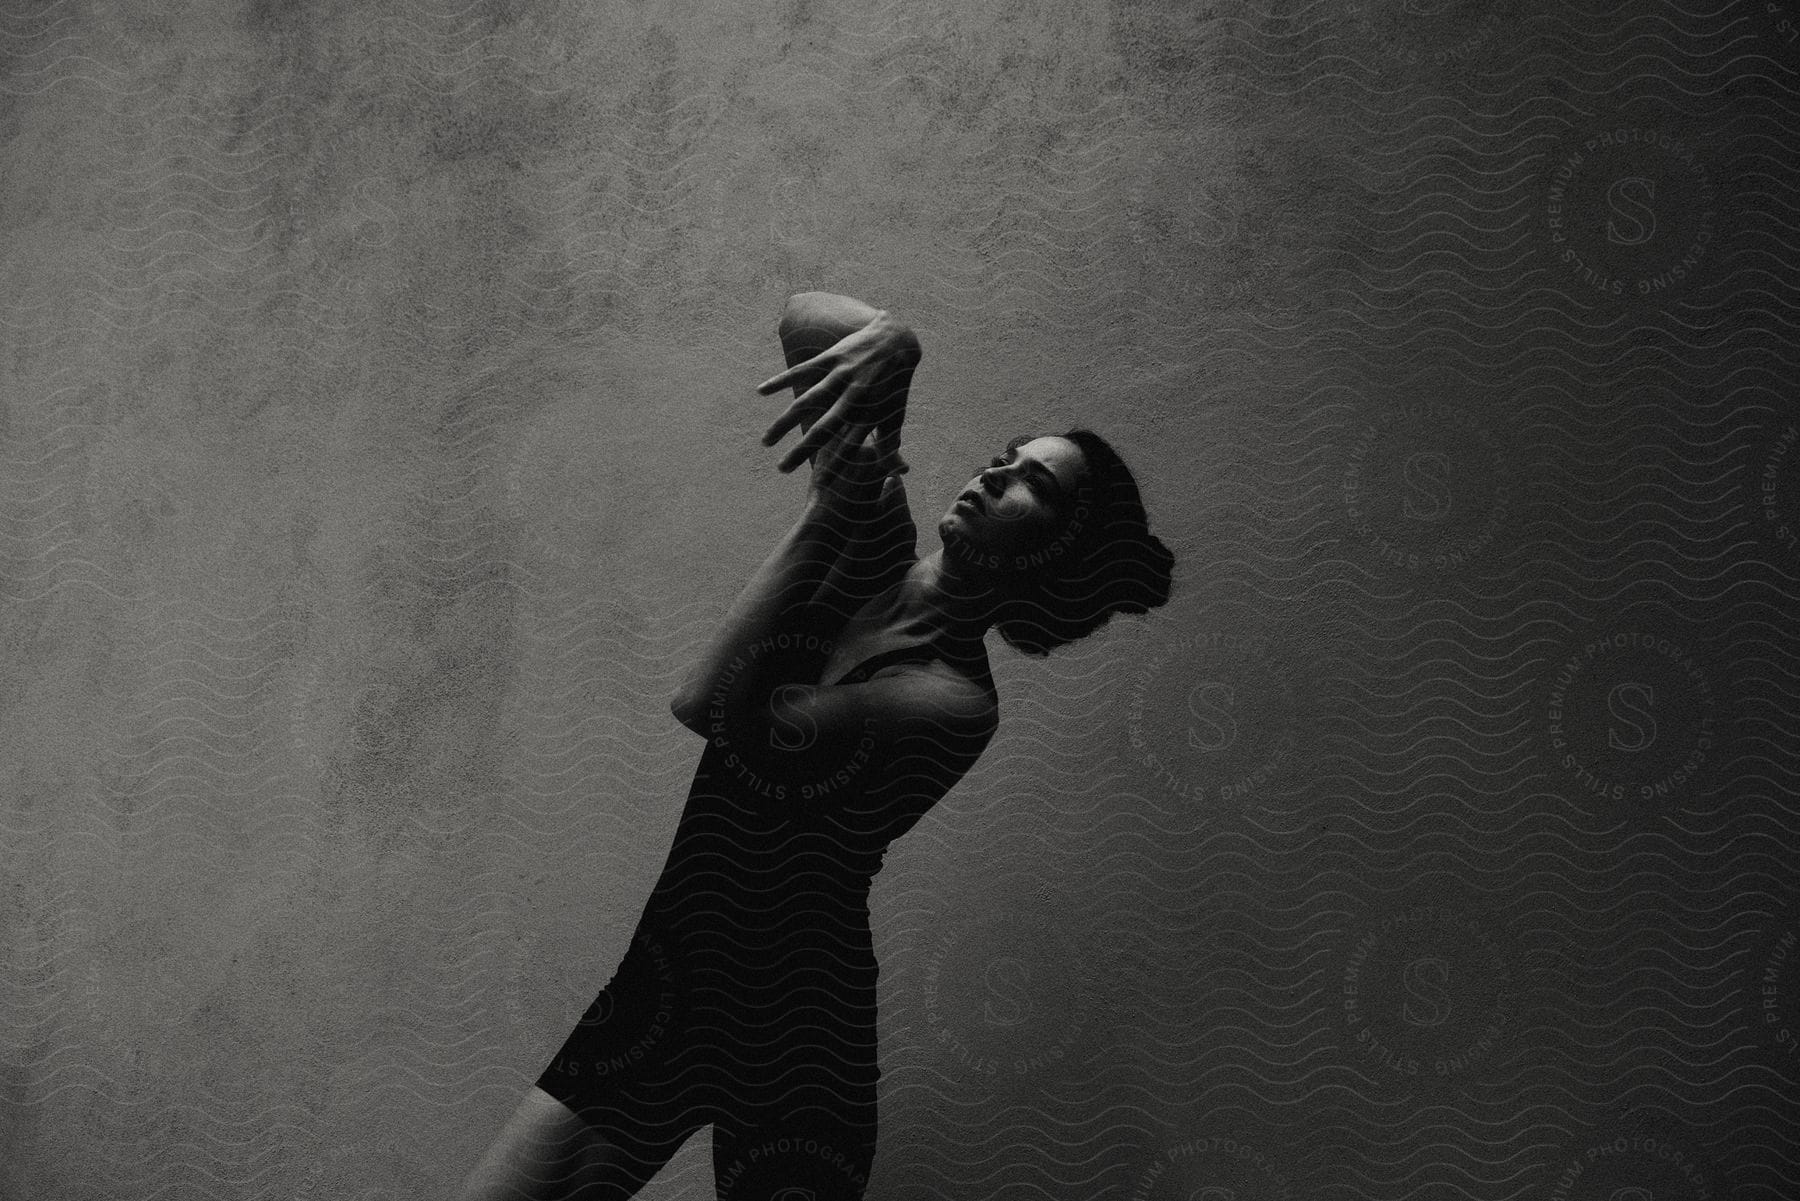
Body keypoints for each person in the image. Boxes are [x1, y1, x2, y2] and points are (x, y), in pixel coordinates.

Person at [454, 292, 1175, 1200]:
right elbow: (805, 323)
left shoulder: (954, 702)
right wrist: (898, 343)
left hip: (798, 1037)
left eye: (1035, 483)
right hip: (675, 971)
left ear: (1059, 555)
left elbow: (713, 705)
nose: (995, 475)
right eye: (1004, 455)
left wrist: (826, 515)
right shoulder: (879, 537)